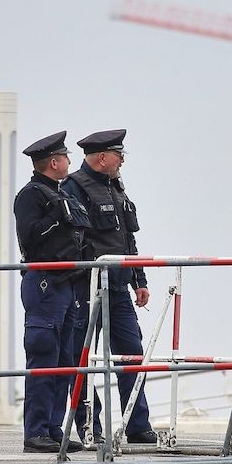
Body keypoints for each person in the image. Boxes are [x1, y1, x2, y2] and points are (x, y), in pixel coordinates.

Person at [62, 129, 157, 445]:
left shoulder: (117, 188)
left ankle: (137, 425)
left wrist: (139, 280)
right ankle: (91, 426)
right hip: (86, 290)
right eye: (119, 155)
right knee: (83, 359)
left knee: (132, 356)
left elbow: (128, 240)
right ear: (102, 157)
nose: (123, 161)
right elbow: (71, 240)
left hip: (117, 290)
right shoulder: (74, 188)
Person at [13, 131, 91, 453]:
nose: (70, 163)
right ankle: (35, 432)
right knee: (44, 356)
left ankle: (53, 428)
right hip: (44, 284)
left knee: (65, 360)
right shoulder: (31, 196)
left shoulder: (63, 195)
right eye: (66, 158)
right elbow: (30, 238)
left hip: (67, 285)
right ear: (54, 162)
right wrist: (54, 217)